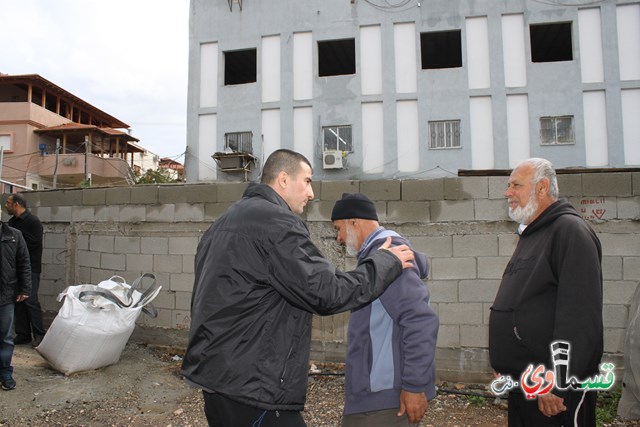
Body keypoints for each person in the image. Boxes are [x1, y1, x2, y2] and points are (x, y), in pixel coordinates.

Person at [181, 149, 417, 427]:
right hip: (254, 388)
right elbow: (328, 292)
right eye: (307, 181)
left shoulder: (223, 223)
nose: (311, 193)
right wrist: (386, 262)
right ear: (283, 180)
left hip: (217, 381)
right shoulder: (277, 223)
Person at [489, 158, 603, 426]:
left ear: (541, 188)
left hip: (552, 392)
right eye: (508, 185)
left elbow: (579, 317)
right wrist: (505, 364)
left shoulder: (570, 232)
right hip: (525, 384)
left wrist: (557, 382)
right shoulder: (532, 235)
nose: (508, 192)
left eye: (516, 185)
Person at [331, 193, 439, 427]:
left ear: (354, 222)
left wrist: (413, 386)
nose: (338, 238)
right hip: (376, 398)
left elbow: (420, 321)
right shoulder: (378, 260)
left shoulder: (389, 259)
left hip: (384, 404)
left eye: (338, 229)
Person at [5, 193, 45, 348]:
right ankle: (23, 334)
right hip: (14, 269)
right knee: (18, 301)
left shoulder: (32, 222)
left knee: (30, 301)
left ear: (17, 204)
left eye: (8, 203)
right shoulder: (12, 222)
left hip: (30, 269)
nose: (6, 205)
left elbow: (33, 244)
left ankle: (39, 334)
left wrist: (15, 243)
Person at [0, 219, 32, 391]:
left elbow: (24, 263)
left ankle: (5, 372)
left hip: (5, 295)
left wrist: (25, 288)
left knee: (5, 337)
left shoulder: (14, 236)